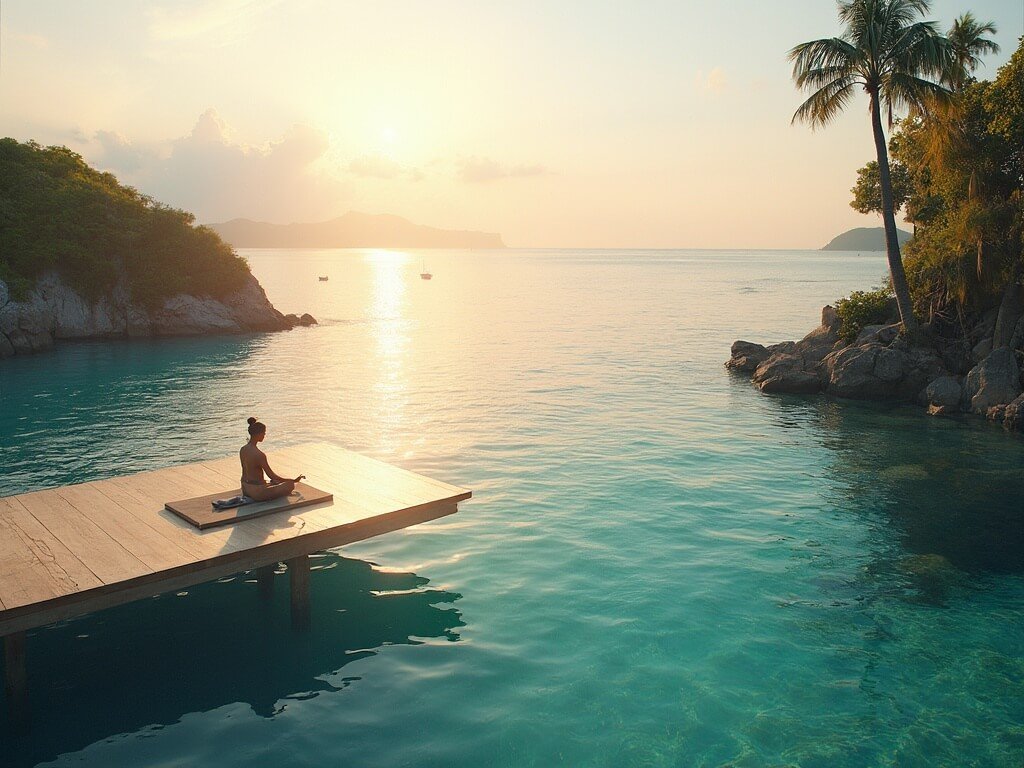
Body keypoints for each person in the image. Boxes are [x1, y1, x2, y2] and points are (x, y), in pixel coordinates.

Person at [240, 417, 305, 501]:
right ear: (259, 434)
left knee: (273, 482)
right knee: (289, 485)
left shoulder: (243, 449)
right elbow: (272, 476)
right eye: (264, 433)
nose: (264, 435)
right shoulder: (259, 455)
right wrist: (292, 480)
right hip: (257, 493)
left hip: (245, 488)